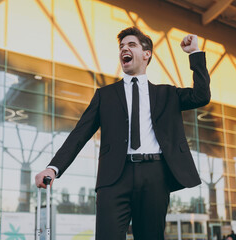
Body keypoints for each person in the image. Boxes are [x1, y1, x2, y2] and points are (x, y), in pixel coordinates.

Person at [35, 26, 211, 240]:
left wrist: (194, 53)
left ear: (147, 55)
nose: (124, 49)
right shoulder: (105, 96)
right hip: (114, 178)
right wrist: (54, 168)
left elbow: (201, 96)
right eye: (121, 46)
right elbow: (79, 134)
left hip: (155, 175)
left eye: (131, 45)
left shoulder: (167, 94)